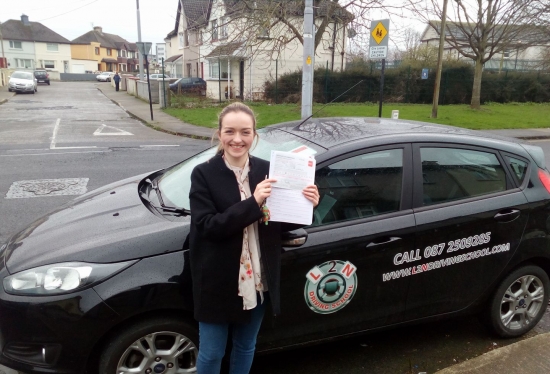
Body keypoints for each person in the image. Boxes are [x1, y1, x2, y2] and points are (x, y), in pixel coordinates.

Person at [189, 102, 319, 374]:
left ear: (254, 134)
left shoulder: (268, 170)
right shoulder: (203, 174)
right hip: (218, 281)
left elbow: (276, 223)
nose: (237, 139)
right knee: (212, 353)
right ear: (219, 133)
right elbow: (208, 226)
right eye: (230, 131)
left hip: (259, 277)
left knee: (246, 346)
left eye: (245, 132)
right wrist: (253, 201)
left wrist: (308, 205)